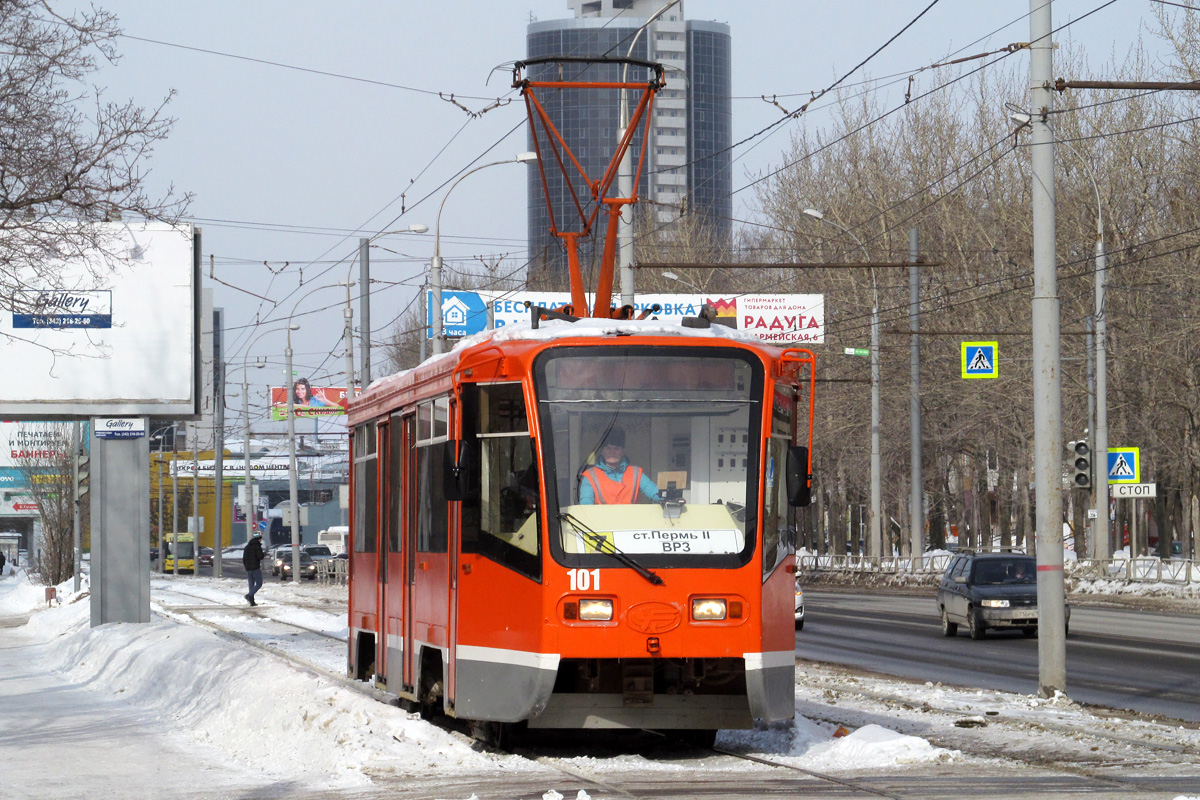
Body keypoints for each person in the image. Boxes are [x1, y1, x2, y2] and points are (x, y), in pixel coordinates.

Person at [579, 428, 660, 505]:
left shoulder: (636, 473)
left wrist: (668, 496)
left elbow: (656, 494)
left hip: (631, 519)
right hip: (602, 519)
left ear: (623, 451)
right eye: (608, 448)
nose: (612, 452)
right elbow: (586, 506)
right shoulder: (590, 475)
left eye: (616, 448)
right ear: (602, 451)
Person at [243, 531, 266, 606]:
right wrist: (263, 554)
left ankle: (252, 601)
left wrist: (246, 566)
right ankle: (249, 595)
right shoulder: (257, 547)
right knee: (259, 583)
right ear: (259, 539)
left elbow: (244, 558)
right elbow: (260, 556)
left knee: (251, 585)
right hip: (255, 568)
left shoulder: (247, 547)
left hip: (248, 569)